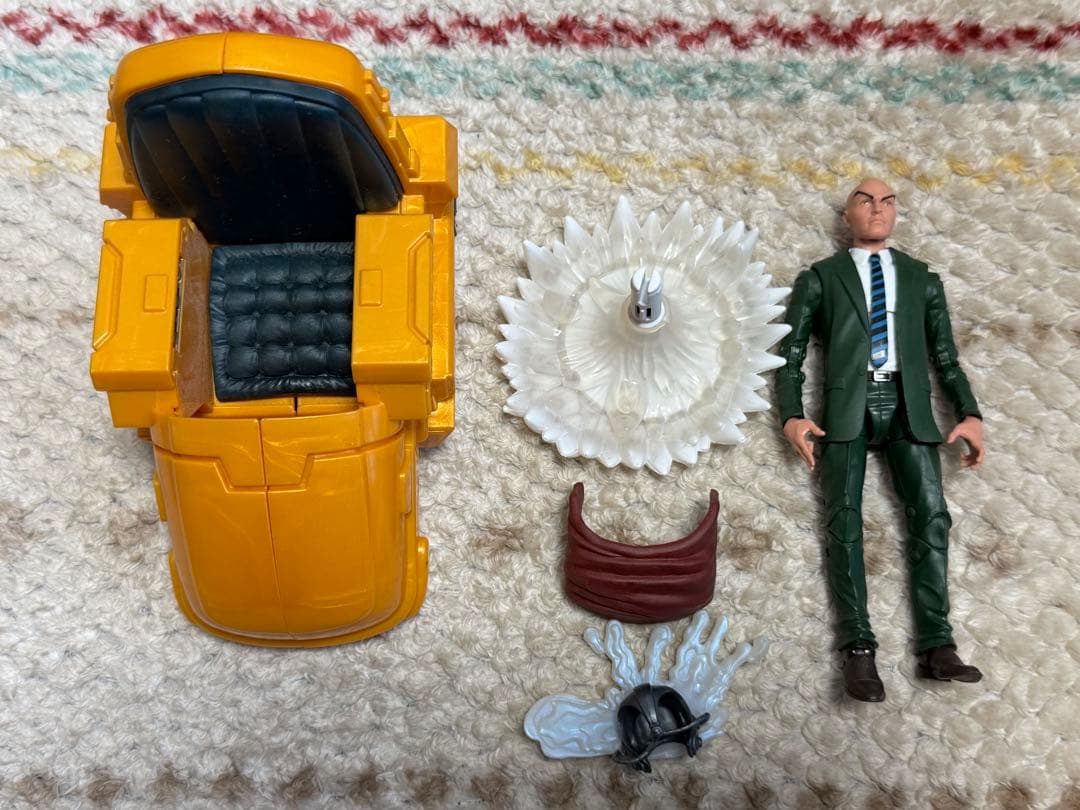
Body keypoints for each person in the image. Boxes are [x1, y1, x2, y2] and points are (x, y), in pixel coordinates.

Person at [775, 178, 985, 702]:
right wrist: (792, 415)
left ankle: (937, 644)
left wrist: (969, 413)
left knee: (931, 516)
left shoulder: (921, 279)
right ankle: (858, 649)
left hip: (909, 406)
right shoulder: (820, 278)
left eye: (887, 201)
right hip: (846, 408)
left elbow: (945, 354)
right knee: (843, 522)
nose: (877, 209)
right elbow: (790, 351)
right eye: (864, 200)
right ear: (846, 215)